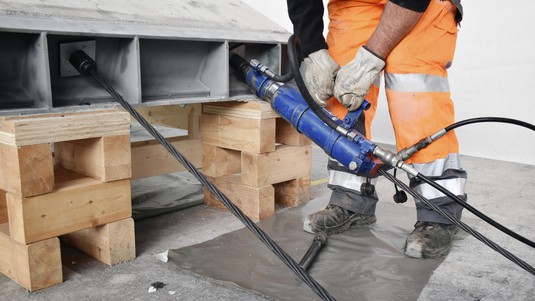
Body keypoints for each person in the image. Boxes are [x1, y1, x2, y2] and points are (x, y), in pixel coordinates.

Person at [286, 0, 466, 259]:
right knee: (340, 83)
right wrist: (312, 50)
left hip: (421, 5)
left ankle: (438, 209)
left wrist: (370, 59)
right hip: (355, 3)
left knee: (413, 85)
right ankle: (351, 199)